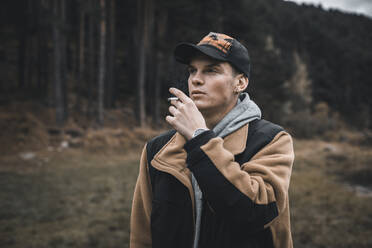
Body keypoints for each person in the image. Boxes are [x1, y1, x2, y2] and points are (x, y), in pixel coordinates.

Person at [130, 32, 295, 248]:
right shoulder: (157, 150)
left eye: (211, 70)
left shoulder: (271, 140)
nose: (196, 79)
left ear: (241, 83)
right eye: (192, 71)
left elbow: (254, 214)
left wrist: (199, 137)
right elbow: (142, 237)